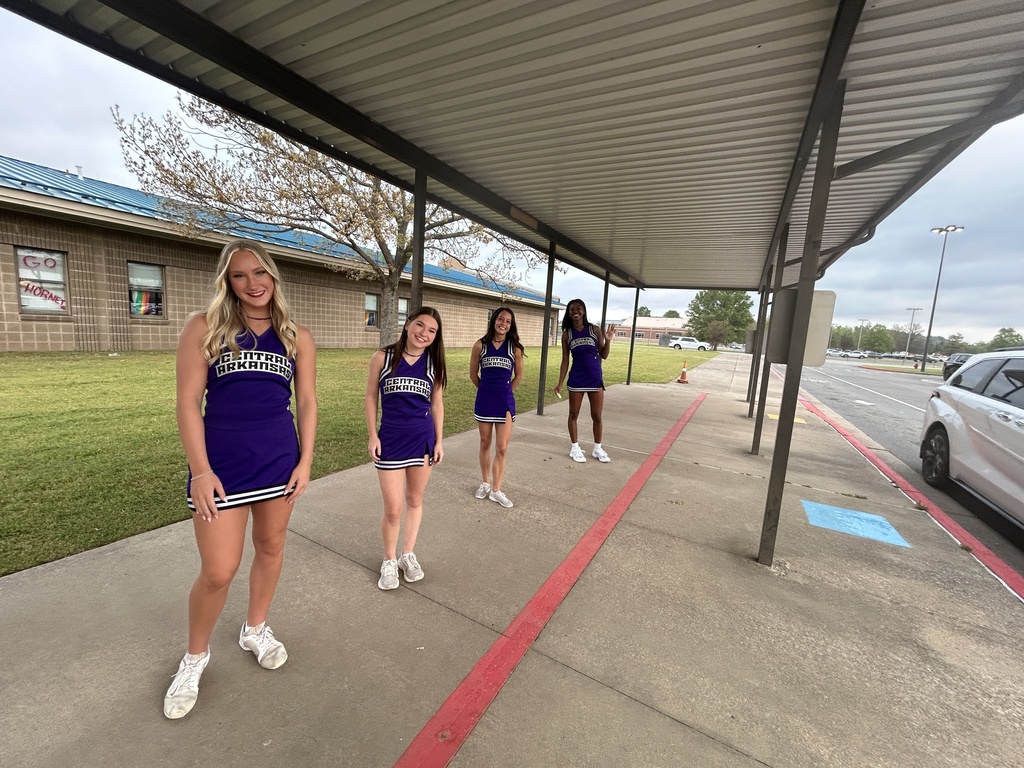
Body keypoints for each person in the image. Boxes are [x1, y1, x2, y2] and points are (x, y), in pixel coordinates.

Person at [164, 239, 318, 720]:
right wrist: (201, 471)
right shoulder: (204, 327)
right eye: (240, 275)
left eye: (260, 273)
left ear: (274, 275)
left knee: (271, 548)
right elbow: (188, 402)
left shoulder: (295, 334)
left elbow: (307, 402)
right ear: (227, 282)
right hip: (222, 467)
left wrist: (305, 461)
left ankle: (255, 629)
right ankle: (194, 657)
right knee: (219, 570)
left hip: (279, 461)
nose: (253, 284)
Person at [365, 307, 447, 590]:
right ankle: (389, 559)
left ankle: (407, 555)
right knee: (393, 509)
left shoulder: (433, 364)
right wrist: (372, 435)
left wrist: (438, 440)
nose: (424, 333)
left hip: (421, 441)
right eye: (420, 325)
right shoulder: (383, 357)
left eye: (432, 331)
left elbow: (436, 405)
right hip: (390, 440)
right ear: (408, 324)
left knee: (414, 500)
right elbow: (370, 397)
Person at [470, 307, 525, 508]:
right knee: (485, 443)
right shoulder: (479, 345)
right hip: (485, 400)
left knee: (501, 447)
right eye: (501, 319)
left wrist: (505, 391)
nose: (504, 323)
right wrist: (486, 390)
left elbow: (518, 375)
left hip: (505, 402)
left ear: (511, 325)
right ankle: (485, 483)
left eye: (508, 321)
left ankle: (496, 490)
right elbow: (473, 374)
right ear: (494, 320)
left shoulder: (515, 348)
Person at [553, 299, 616, 463]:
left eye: (579, 308)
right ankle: (574, 448)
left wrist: (607, 340)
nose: (575, 311)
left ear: (584, 311)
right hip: (576, 378)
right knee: (573, 414)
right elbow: (565, 360)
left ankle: (597, 448)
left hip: (594, 378)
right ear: (568, 312)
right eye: (572, 309)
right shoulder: (567, 335)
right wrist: (560, 382)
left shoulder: (594, 330)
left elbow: (604, 355)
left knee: (597, 415)